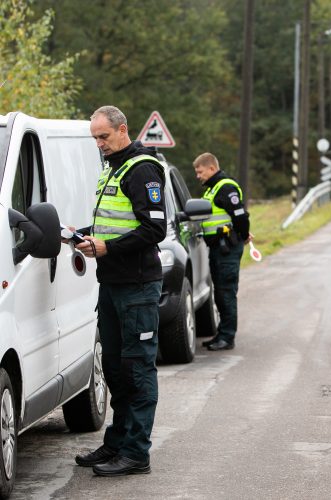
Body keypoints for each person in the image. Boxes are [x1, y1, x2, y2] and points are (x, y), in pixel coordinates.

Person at [71, 106, 167, 476]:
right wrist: (82, 235)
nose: (99, 144)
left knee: (137, 370)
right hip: (111, 284)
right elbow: (112, 224)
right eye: (95, 138)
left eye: (104, 137)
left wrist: (108, 248)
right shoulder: (113, 167)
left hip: (137, 287)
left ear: (122, 130)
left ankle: (136, 453)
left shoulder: (142, 169)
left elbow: (154, 229)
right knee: (113, 368)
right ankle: (117, 444)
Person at [193, 152, 251, 351]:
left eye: (200, 172)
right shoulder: (212, 189)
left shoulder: (226, 187)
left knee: (226, 293)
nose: (198, 176)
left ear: (211, 168)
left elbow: (241, 217)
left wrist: (243, 236)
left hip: (227, 248)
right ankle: (222, 333)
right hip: (218, 248)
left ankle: (227, 337)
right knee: (220, 293)